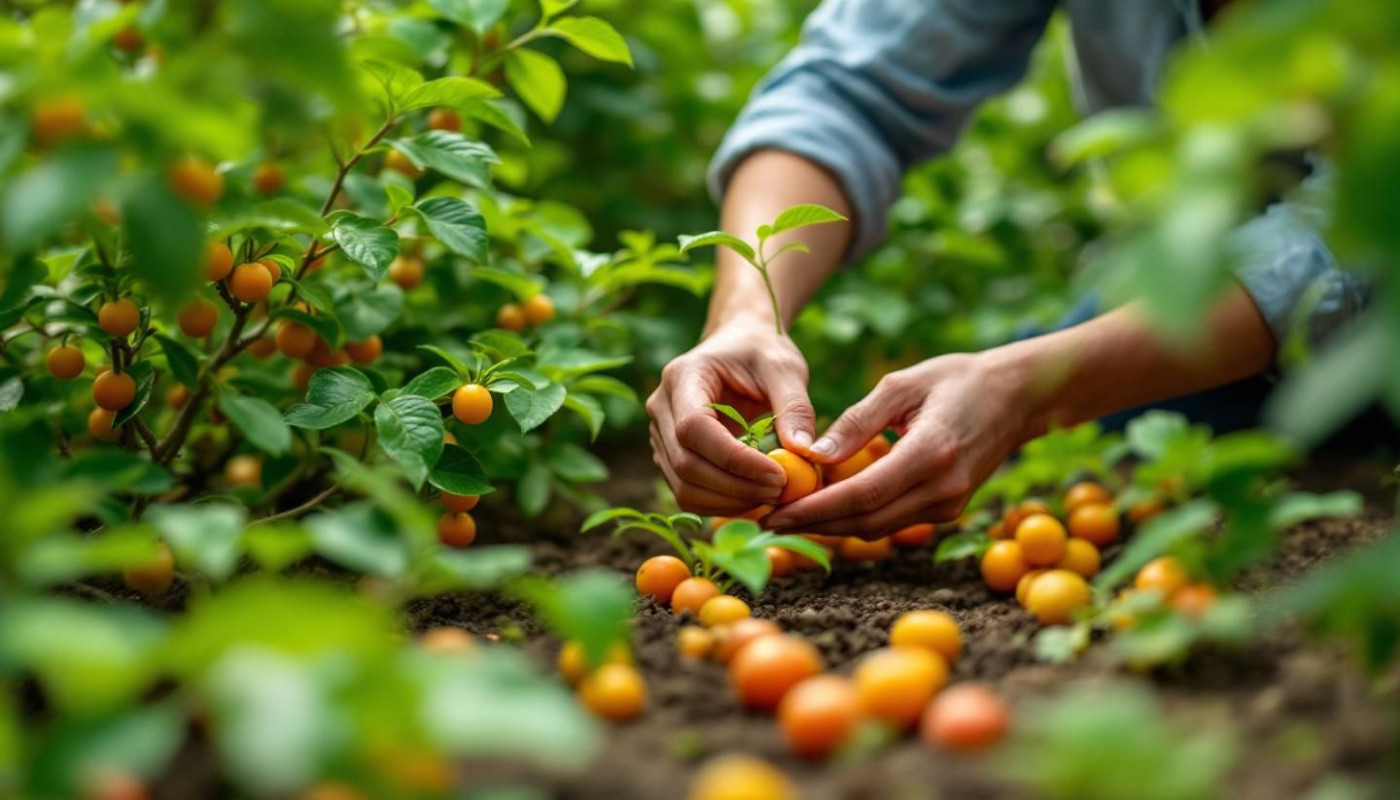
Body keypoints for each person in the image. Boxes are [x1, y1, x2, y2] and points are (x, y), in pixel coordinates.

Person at [646, 0, 1370, 539]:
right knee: (995, 435)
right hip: (1195, 294)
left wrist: (1019, 389)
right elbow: (847, 93)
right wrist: (746, 315)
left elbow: (1362, 234)